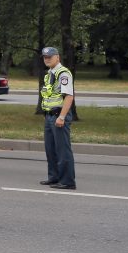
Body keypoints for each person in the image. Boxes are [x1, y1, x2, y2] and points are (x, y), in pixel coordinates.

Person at [39, 46, 76, 189]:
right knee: (51, 149)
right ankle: (54, 177)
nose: (47, 59)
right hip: (50, 116)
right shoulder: (49, 74)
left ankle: (67, 181)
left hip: (59, 116)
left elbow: (69, 96)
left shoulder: (63, 73)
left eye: (50, 57)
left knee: (62, 149)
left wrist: (61, 117)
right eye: (45, 57)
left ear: (57, 57)